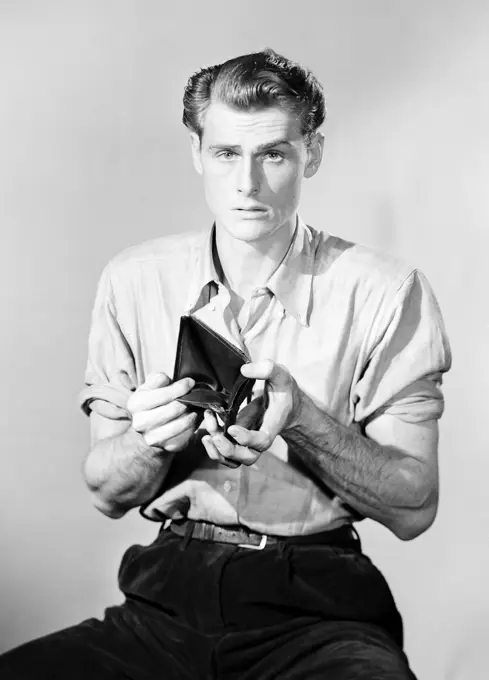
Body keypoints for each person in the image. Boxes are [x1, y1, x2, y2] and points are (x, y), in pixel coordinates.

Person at [0, 48, 451, 679]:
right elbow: (106, 490)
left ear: (310, 154)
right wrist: (151, 441)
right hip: (165, 594)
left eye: (273, 154)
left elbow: (415, 508)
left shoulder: (387, 292)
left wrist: (303, 422)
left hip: (318, 607)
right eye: (225, 154)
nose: (248, 184)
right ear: (197, 155)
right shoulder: (135, 279)